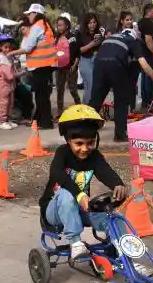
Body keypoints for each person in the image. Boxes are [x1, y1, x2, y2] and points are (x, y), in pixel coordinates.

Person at [39, 105, 127, 260]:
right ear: (68, 140)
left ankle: (126, 257)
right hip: (54, 211)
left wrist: (118, 184)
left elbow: (105, 171)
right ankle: (75, 242)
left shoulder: (95, 156)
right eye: (79, 143)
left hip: (80, 209)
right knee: (66, 194)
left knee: (113, 216)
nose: (85, 149)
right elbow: (57, 173)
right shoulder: (63, 153)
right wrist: (79, 194)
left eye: (90, 143)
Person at [89, 28, 153, 141]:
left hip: (98, 64)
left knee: (96, 99)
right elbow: (143, 63)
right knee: (121, 100)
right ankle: (120, 134)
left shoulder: (111, 37)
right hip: (115, 64)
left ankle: (86, 130)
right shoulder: (132, 40)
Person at [7, 4, 57, 129]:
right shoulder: (46, 26)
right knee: (43, 95)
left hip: (40, 65)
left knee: (41, 96)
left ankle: (45, 123)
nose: (28, 16)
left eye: (29, 14)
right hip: (47, 65)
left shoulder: (37, 26)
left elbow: (28, 48)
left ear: (35, 13)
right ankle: (41, 120)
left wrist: (12, 52)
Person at [53, 16, 81, 115]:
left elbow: (77, 52)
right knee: (60, 90)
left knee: (73, 89)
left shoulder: (72, 37)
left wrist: (75, 64)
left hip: (71, 67)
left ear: (67, 26)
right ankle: (60, 112)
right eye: (58, 25)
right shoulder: (56, 38)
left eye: (61, 25)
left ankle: (79, 108)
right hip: (59, 68)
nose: (59, 27)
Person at [136, 4, 153, 108]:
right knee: (149, 77)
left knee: (145, 78)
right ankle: (149, 102)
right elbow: (148, 40)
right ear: (149, 12)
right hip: (148, 54)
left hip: (142, 53)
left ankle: (145, 102)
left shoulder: (141, 22)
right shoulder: (148, 23)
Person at [77, 13, 103, 104]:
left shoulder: (99, 34)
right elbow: (79, 50)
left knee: (91, 87)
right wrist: (92, 44)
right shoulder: (81, 34)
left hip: (96, 61)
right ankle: (89, 108)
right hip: (85, 61)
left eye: (94, 22)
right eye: (90, 22)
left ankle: (86, 107)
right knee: (90, 85)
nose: (92, 24)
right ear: (86, 24)